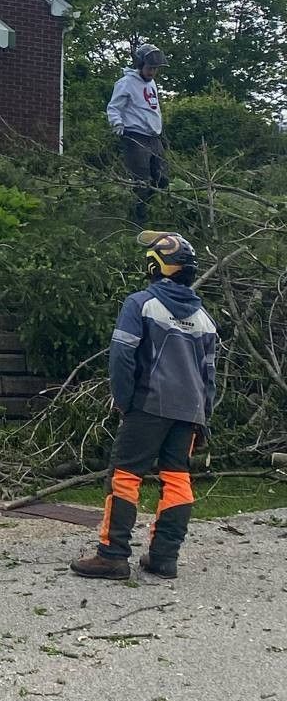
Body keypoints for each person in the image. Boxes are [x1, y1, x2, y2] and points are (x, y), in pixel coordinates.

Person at [71, 231, 217, 583]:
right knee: (177, 477)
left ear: (155, 266)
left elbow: (122, 356)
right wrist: (203, 415)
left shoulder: (141, 304)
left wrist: (124, 400)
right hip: (190, 411)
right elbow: (209, 374)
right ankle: (164, 558)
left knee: (125, 474)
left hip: (149, 404)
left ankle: (112, 555)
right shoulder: (205, 319)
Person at [106, 42, 168, 221]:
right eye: (150, 68)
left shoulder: (152, 83)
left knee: (162, 178)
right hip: (135, 136)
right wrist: (117, 124)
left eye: (155, 69)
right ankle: (138, 219)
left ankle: (152, 210)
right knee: (142, 182)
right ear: (140, 65)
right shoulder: (126, 83)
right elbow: (114, 107)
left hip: (153, 136)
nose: (152, 72)